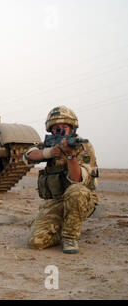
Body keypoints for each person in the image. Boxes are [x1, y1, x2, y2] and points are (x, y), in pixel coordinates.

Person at [25, 106, 98, 254]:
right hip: (57, 201)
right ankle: (63, 225)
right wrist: (50, 152)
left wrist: (70, 155)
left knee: (76, 191)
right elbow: (28, 155)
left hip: (82, 199)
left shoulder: (82, 147)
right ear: (51, 131)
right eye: (56, 128)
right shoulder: (50, 143)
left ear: (72, 129)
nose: (60, 131)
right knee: (36, 242)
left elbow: (78, 180)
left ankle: (70, 237)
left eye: (64, 127)